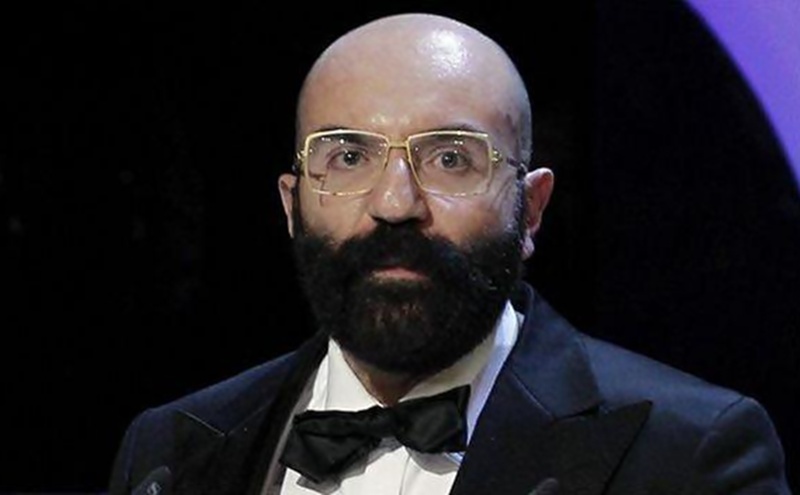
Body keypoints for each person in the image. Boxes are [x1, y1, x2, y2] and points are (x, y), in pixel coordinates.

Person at [108, 13, 791, 495]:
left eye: (451, 158)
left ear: (532, 209)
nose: (395, 203)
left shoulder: (689, 454)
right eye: (348, 157)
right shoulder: (169, 452)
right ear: (292, 206)